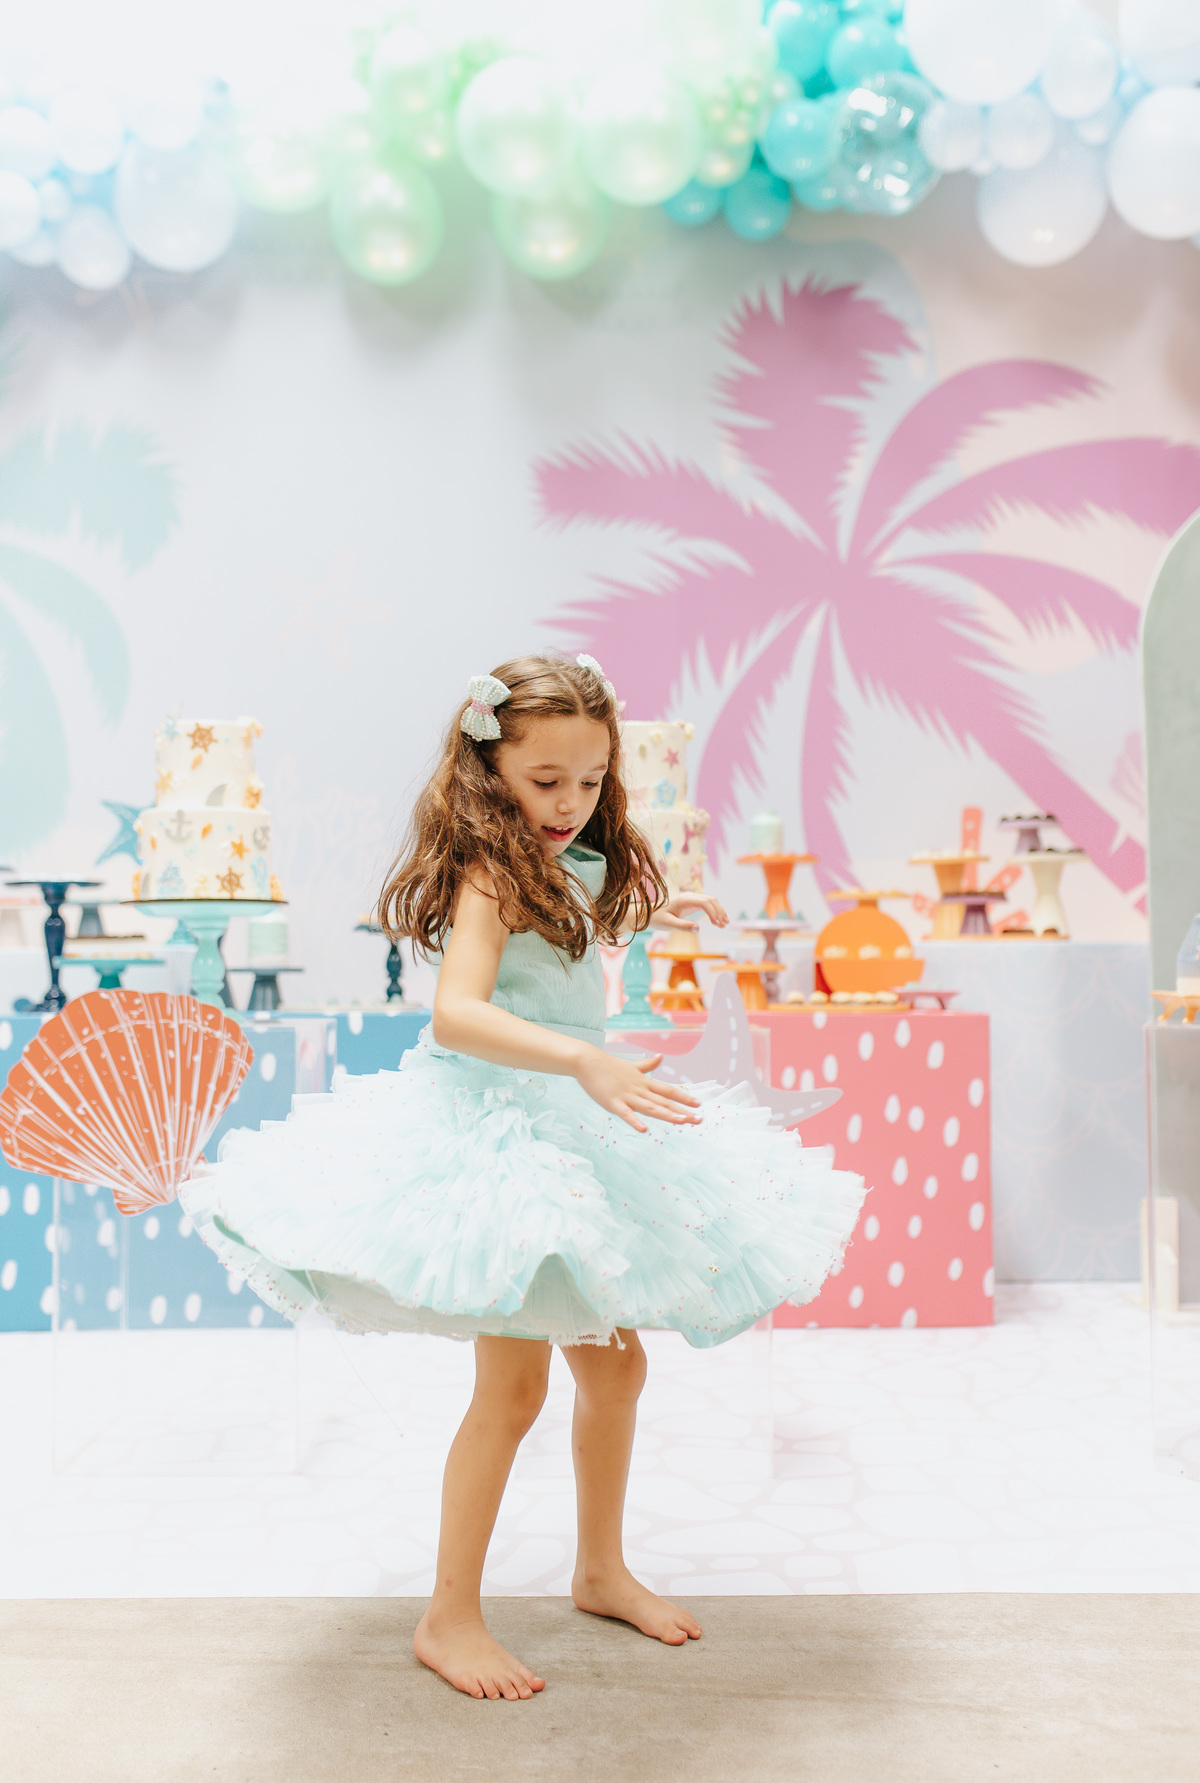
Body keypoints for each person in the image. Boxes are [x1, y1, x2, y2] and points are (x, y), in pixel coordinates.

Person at [178, 653, 864, 1701]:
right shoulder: (489, 874)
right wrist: (583, 1058)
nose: (569, 803)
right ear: (489, 767)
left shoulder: (569, 864)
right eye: (546, 781)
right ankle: (448, 1616)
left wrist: (658, 911)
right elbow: (459, 1012)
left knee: (617, 1372)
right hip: (500, 1135)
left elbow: (570, 946)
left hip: (573, 1133)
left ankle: (599, 1571)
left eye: (590, 780)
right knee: (513, 1387)